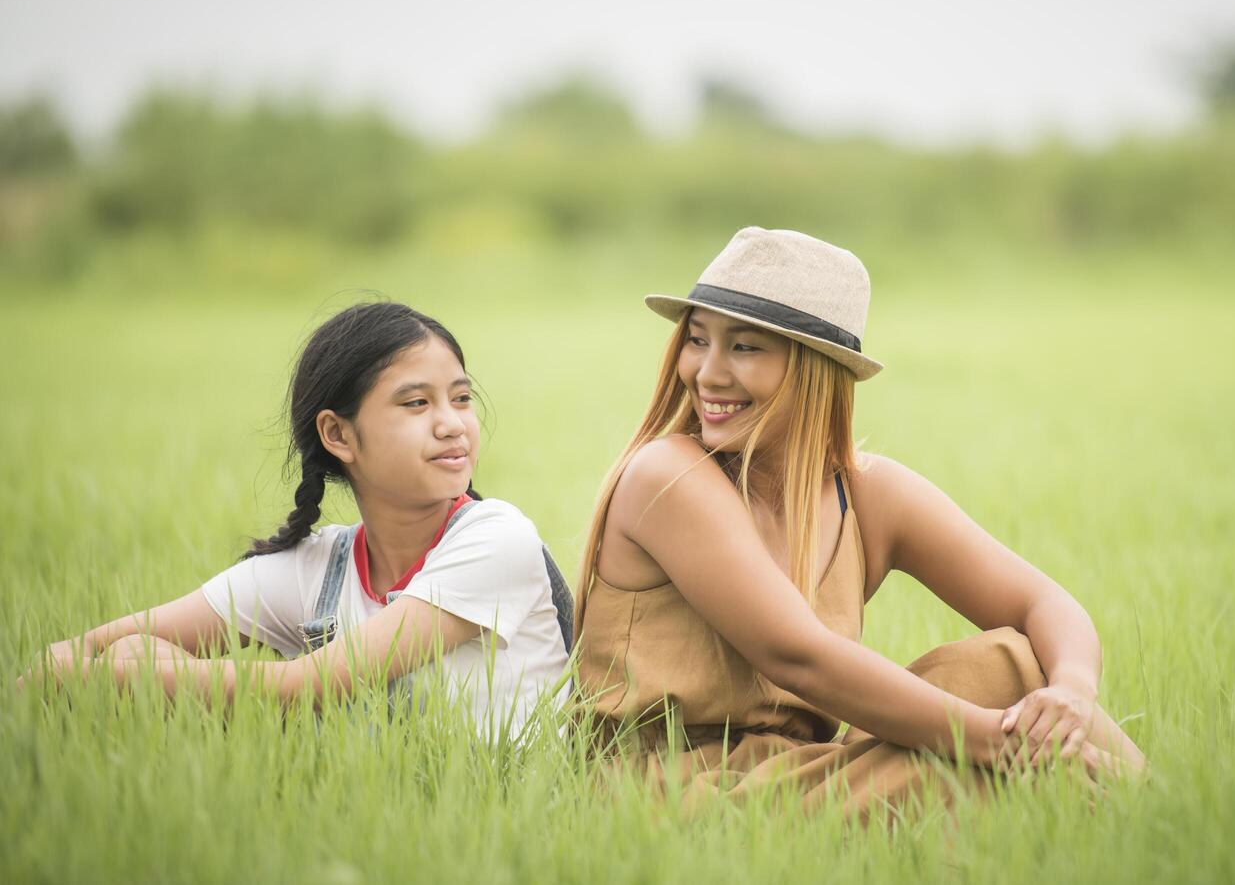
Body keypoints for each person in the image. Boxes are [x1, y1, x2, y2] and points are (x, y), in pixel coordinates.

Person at [575, 227, 1145, 814]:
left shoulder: (867, 493)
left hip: (802, 774)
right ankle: (1151, 817)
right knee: (997, 775)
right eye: (697, 340)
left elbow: (1043, 604)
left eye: (744, 347)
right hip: (671, 793)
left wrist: (1072, 693)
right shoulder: (667, 474)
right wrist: (1003, 745)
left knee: (1012, 664)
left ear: (815, 369)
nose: (708, 373)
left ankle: (1156, 816)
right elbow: (798, 657)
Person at [24, 302, 572, 739]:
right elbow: (87, 650)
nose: (452, 425)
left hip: (504, 809)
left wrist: (123, 674)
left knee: (135, 666)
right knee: (129, 656)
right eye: (416, 404)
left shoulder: (497, 538)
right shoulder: (317, 566)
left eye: (460, 399)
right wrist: (78, 672)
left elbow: (309, 685)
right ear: (338, 435)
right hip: (364, 823)